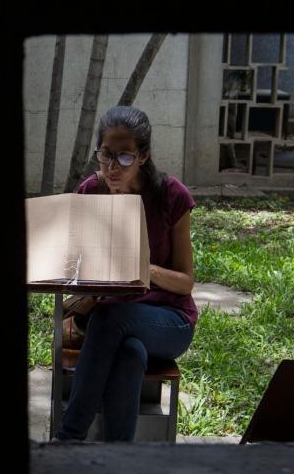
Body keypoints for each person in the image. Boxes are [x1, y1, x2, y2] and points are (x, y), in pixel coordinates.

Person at [54, 105, 197, 442]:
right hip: (112, 320)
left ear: (143, 156)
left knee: (110, 319)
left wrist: (143, 268)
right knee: (130, 352)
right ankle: (120, 457)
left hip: (169, 321)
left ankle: (68, 438)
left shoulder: (171, 195)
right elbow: (72, 263)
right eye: (105, 155)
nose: (112, 167)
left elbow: (186, 282)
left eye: (124, 158)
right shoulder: (90, 192)